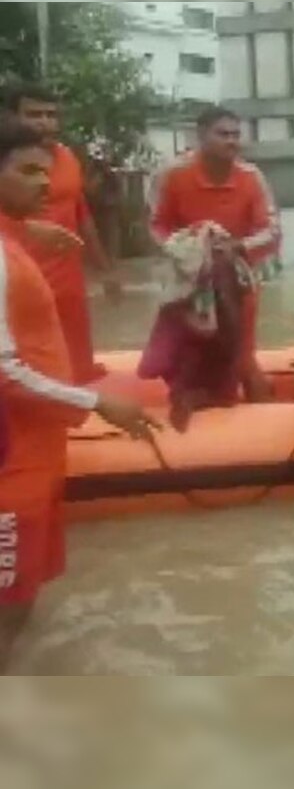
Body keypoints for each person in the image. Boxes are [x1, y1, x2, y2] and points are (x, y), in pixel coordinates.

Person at [0, 121, 159, 669]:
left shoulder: (12, 238)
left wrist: (27, 232)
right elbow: (3, 371)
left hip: (36, 450)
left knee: (25, 602)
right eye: (27, 171)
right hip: (12, 460)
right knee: (8, 609)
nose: (45, 183)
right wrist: (98, 402)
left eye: (46, 171)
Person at [150, 106, 280, 403]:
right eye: (223, 134)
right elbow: (155, 225)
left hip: (238, 280)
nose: (231, 141)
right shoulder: (173, 175)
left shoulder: (251, 177)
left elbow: (272, 230)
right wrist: (184, 248)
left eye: (236, 135)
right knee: (187, 353)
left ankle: (243, 409)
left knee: (241, 353)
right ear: (201, 136)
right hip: (187, 280)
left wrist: (238, 246)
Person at [4, 83, 120, 384]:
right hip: (18, 273)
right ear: (11, 117)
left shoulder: (68, 157)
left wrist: (106, 269)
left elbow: (81, 213)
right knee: (25, 363)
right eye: (33, 114)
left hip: (68, 276)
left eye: (51, 115)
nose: (44, 123)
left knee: (76, 367)